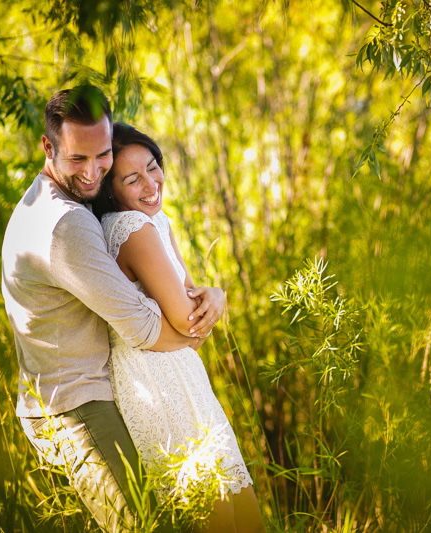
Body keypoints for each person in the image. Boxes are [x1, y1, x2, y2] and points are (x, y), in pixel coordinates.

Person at [1, 85, 205, 532]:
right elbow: (141, 325)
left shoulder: (48, 199)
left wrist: (215, 295)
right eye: (78, 159)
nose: (93, 171)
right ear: (48, 147)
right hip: (77, 408)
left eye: (103, 155)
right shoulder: (65, 224)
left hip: (77, 397)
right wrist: (191, 334)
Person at [91, 123, 266, 533]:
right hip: (159, 384)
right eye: (133, 178)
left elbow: (194, 305)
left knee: (246, 519)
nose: (151, 183)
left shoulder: (156, 222)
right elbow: (191, 320)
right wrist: (205, 309)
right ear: (111, 190)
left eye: (153, 168)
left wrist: (216, 295)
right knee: (219, 519)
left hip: (182, 376)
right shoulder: (130, 228)